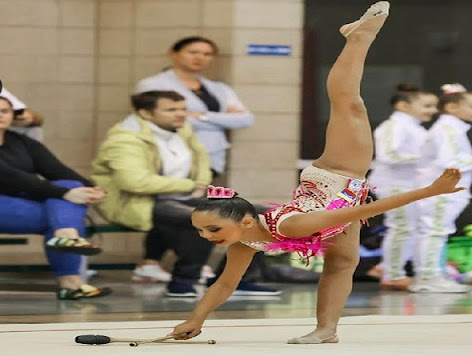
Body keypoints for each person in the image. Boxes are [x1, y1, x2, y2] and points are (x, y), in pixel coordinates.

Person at [170, 2, 463, 343]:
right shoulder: (244, 240)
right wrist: (196, 320)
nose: (207, 237)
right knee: (341, 264)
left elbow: (367, 209)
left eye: (212, 228)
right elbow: (225, 284)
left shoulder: (291, 225)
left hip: (338, 173)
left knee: (348, 102)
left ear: (246, 220)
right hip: (342, 206)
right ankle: (327, 330)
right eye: (202, 231)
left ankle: (358, 38)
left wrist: (431, 190)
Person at [91, 90, 277, 297]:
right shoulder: (124, 140)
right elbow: (134, 182)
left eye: (183, 109)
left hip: (184, 196)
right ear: (145, 113)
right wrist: (190, 185)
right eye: (171, 110)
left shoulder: (182, 129)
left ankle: (235, 280)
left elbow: (202, 160)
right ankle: (182, 282)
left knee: (260, 215)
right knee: (205, 218)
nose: (181, 114)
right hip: (138, 202)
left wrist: (200, 183)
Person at [134, 35, 254, 283]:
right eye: (193, 52)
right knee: (176, 209)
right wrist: (220, 117)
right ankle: (156, 261)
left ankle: (173, 263)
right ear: (174, 53)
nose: (200, 58)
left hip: (211, 159)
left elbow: (245, 119)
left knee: (195, 210)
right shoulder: (153, 83)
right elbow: (163, 119)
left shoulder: (218, 88)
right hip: (173, 158)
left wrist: (201, 116)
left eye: (207, 53)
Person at [0, 95, 110, 300]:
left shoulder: (21, 142)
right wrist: (65, 194)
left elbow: (57, 170)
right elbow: (12, 177)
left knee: (69, 188)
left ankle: (66, 236)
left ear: (12, 116)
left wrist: (91, 188)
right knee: (61, 212)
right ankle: (71, 281)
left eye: (4, 111)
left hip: (20, 201)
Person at [409, 83, 472, 293]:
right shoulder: (448, 129)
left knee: (433, 231)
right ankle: (429, 276)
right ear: (452, 107)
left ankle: (431, 274)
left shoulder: (451, 128)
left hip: (442, 189)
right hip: (441, 191)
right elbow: (450, 161)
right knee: (434, 231)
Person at [368, 83, 438, 291]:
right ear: (403, 105)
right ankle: (393, 275)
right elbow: (389, 155)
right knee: (402, 228)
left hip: (409, 185)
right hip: (394, 185)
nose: (433, 110)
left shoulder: (414, 128)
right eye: (427, 105)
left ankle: (386, 267)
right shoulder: (394, 126)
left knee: (412, 229)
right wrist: (430, 160)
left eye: (434, 106)